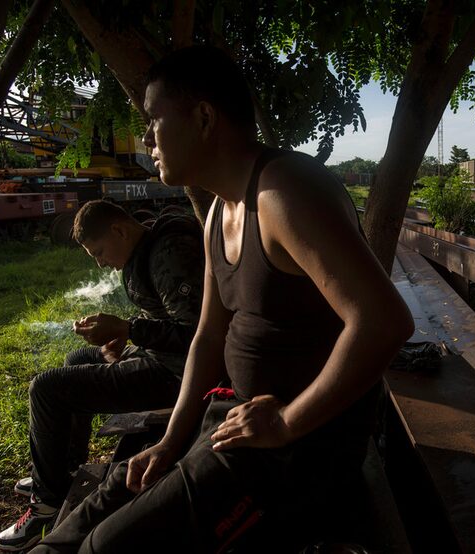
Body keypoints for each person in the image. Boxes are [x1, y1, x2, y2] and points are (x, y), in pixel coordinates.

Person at [30, 44, 413, 553]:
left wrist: (286, 421)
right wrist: (170, 442)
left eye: (154, 119)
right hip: (235, 422)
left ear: (204, 117)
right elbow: (209, 336)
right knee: (97, 507)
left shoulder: (283, 192)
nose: (147, 137)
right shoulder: (218, 213)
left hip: (296, 452)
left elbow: (383, 321)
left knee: (106, 547)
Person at [0, 200, 204, 552]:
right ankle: (62, 470)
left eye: (99, 252)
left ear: (119, 230)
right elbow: (161, 317)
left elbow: (196, 334)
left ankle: (46, 506)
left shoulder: (170, 254)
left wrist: (129, 329)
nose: (101, 263)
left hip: (178, 374)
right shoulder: (145, 244)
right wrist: (120, 335)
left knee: (46, 389)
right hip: (159, 356)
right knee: (77, 358)